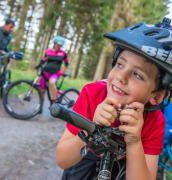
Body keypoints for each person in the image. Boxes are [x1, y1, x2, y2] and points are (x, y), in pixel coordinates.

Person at [55, 17, 172, 180]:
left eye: (138, 75)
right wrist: (90, 129)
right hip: (84, 159)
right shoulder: (92, 94)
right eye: (120, 64)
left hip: (125, 167)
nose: (121, 77)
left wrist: (134, 142)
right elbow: (62, 160)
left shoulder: (154, 121)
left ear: (157, 96)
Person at [38, 35, 69, 104]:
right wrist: (38, 65)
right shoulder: (48, 51)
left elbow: (66, 64)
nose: (59, 46)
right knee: (41, 90)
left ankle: (54, 101)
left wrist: (62, 71)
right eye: (58, 45)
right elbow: (43, 60)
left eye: (61, 45)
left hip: (55, 73)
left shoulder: (63, 53)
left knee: (51, 82)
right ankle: (39, 107)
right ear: (54, 44)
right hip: (46, 73)